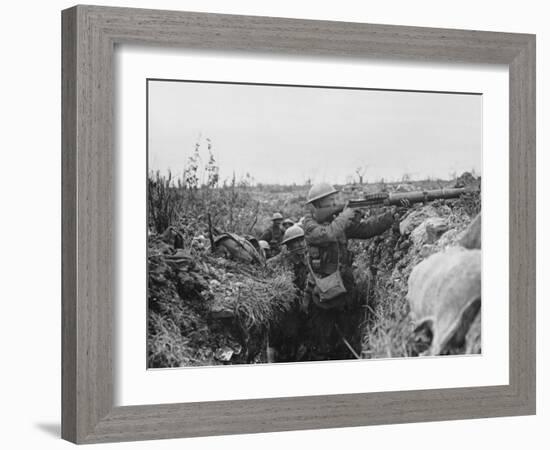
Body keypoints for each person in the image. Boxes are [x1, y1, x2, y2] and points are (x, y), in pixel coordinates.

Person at [301, 182, 407, 360]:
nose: (335, 204)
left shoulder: (338, 221)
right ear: (317, 205)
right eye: (330, 202)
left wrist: (392, 216)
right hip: (321, 295)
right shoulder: (309, 225)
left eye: (335, 200)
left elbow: (367, 229)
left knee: (348, 342)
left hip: (344, 292)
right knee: (321, 346)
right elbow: (328, 234)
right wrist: (346, 214)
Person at [266, 225, 309, 361]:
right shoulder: (275, 263)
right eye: (296, 241)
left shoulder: (307, 262)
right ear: (288, 245)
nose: (301, 244)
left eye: (302, 240)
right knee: (277, 342)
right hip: (282, 311)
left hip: (300, 310)